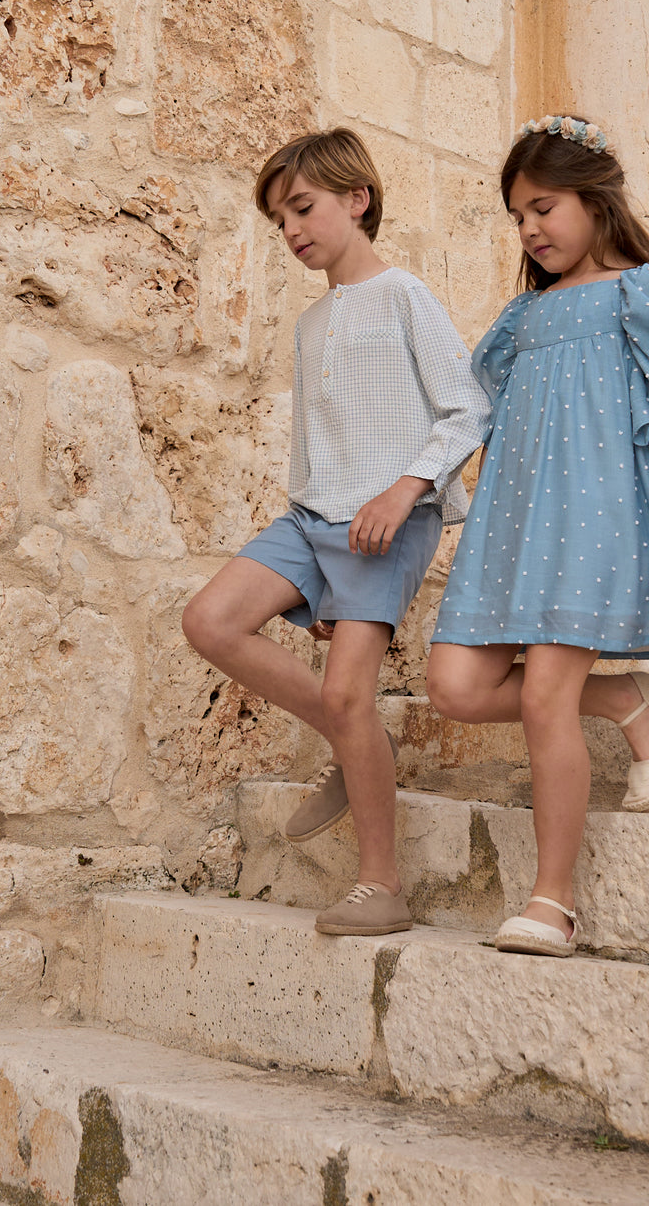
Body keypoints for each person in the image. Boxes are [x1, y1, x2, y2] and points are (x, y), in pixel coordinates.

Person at [426, 114, 649, 958]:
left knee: (541, 694)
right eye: (518, 217)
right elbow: (500, 426)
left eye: (543, 206)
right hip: (518, 526)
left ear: (594, 197)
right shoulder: (520, 320)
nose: (530, 229)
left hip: (596, 520)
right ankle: (624, 699)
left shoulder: (647, 293)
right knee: (456, 686)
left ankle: (553, 901)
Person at [182, 128, 490, 936]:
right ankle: (347, 741)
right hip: (312, 518)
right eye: (280, 218)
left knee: (354, 690)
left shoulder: (404, 295)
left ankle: (381, 883)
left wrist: (405, 487)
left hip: (386, 524)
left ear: (357, 200)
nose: (291, 229)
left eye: (304, 208)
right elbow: (308, 444)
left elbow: (470, 407)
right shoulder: (311, 323)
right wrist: (307, 577)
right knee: (209, 620)